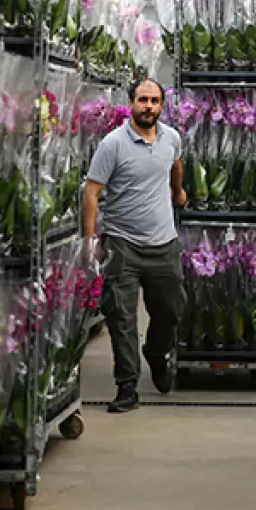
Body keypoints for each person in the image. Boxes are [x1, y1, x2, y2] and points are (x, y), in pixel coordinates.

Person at [81, 77, 186, 413]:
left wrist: (177, 191)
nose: (149, 107)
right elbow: (91, 192)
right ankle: (127, 386)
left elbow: (175, 164)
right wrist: (89, 240)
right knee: (121, 317)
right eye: (143, 100)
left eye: (155, 101)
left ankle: (156, 353)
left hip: (163, 243)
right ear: (131, 103)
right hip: (122, 243)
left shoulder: (171, 138)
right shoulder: (112, 144)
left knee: (171, 309)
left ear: (162, 105)